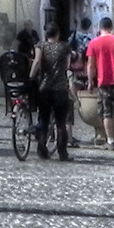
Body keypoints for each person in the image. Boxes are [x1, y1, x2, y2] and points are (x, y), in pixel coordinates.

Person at [86, 15, 114, 150]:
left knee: (106, 113)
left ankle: (111, 141)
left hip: (103, 82)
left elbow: (91, 65)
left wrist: (90, 81)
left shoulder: (93, 43)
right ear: (111, 27)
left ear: (100, 28)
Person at [29, 21, 73, 160]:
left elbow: (37, 62)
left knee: (43, 119)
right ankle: (62, 152)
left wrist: (30, 77)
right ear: (58, 34)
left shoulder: (40, 46)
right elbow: (67, 66)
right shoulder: (64, 47)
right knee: (61, 122)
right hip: (60, 88)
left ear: (46, 34)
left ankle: (41, 148)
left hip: (44, 87)